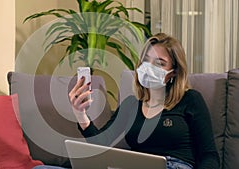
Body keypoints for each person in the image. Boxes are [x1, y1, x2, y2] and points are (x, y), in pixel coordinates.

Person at [68, 33, 220, 169]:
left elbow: (210, 156)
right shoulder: (130, 105)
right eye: (146, 61)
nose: (149, 67)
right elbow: (101, 146)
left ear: (173, 73)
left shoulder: (190, 99)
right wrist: (80, 114)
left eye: (159, 63)